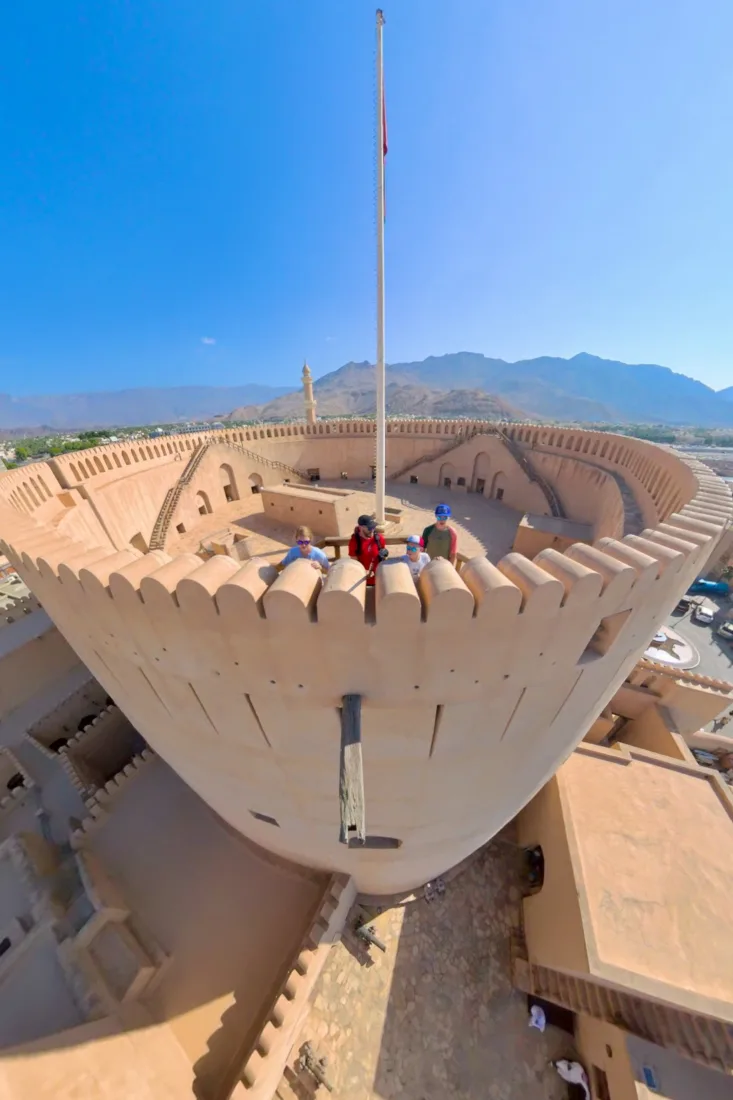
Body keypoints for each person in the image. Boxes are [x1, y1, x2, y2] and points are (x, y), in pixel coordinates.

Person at [348, 514, 387, 586]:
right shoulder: (354, 542)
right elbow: (354, 565)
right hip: (363, 583)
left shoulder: (379, 538)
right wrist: (364, 572)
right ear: (361, 527)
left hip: (379, 580)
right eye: (369, 528)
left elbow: (383, 556)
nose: (372, 530)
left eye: (373, 527)